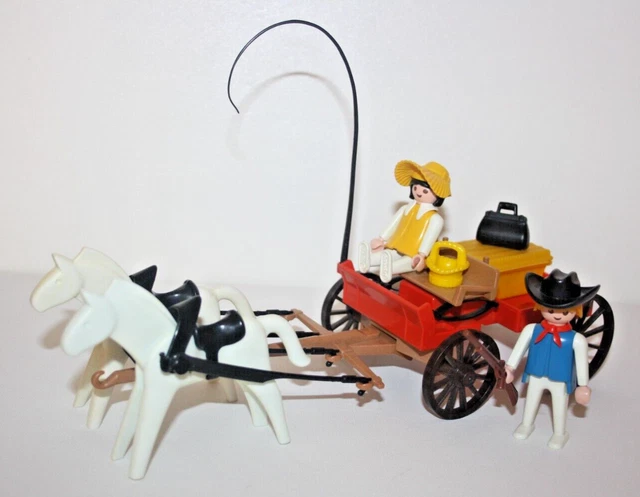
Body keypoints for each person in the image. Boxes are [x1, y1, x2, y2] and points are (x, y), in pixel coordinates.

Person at [505, 269, 599, 449]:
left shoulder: (576, 339)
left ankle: (559, 433)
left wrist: (583, 385)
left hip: (560, 379)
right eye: (550, 309)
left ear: (576, 310)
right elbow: (519, 350)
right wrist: (510, 368)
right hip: (535, 374)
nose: (557, 315)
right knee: (531, 400)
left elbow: (581, 363)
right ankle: (526, 424)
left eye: (565, 312)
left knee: (559, 405)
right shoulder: (531, 330)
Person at [357, 160, 451, 283]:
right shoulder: (406, 208)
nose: (418, 192)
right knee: (389, 254)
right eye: (416, 187)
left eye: (425, 191)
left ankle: (387, 269)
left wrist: (422, 255)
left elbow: (429, 238)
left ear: (438, 195)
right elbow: (393, 224)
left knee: (403, 262)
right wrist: (382, 239)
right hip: (398, 246)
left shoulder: (435, 219)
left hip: (414, 254)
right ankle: (368, 260)